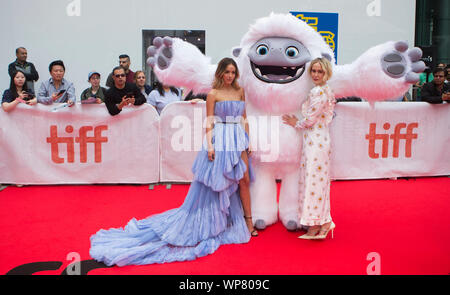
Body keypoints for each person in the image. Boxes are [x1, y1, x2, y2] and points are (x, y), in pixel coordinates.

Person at [90, 57, 256, 267]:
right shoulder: (213, 94)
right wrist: (210, 145)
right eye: (227, 72)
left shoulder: (240, 91)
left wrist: (248, 138)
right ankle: (221, 221)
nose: (230, 76)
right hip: (220, 138)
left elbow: (244, 118)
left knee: (244, 179)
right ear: (221, 73)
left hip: (238, 138)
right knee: (220, 182)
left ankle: (247, 220)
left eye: (233, 72)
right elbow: (209, 122)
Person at [282, 57, 336, 240]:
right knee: (318, 183)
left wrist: (295, 122)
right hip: (317, 140)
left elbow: (310, 119)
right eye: (313, 70)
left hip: (316, 142)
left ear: (326, 73)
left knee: (313, 183)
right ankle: (324, 221)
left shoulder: (319, 92)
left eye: (320, 71)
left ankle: (315, 224)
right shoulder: (325, 90)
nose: (316, 74)